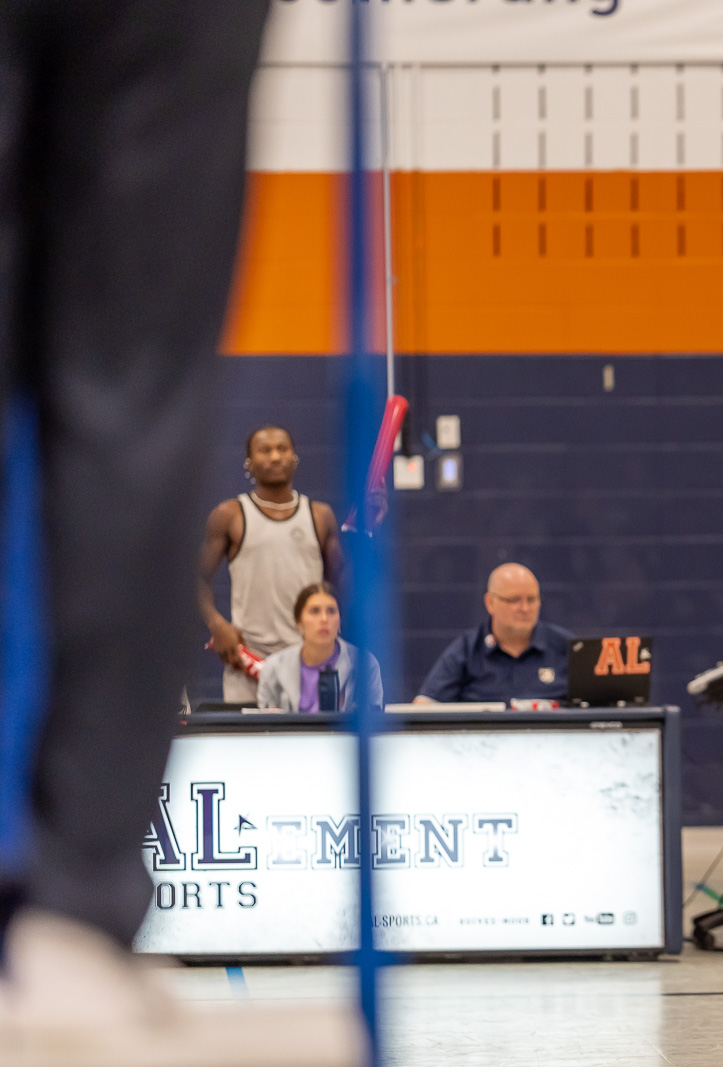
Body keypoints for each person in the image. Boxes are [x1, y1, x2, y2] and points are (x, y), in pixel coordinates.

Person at [0, 2, 360, 1063]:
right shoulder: (232, 514)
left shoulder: (314, 515)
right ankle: (74, 908)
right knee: (132, 398)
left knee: (133, 405)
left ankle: (73, 905)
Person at [198, 424, 343, 703]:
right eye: (265, 450)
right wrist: (217, 624)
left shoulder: (320, 515)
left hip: (307, 663)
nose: (275, 457)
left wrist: (367, 529)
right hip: (247, 665)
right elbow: (193, 579)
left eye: (282, 449)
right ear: (249, 463)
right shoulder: (230, 515)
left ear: (295, 458)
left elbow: (341, 582)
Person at [416, 563, 573, 704]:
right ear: (490, 602)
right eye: (514, 600)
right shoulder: (467, 650)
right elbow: (425, 706)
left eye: (531, 599)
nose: (525, 608)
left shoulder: (567, 647)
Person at [255, 583, 382, 714]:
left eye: (331, 611)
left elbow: (373, 718)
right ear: (299, 621)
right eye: (314, 611)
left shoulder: (365, 664)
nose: (324, 619)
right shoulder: (273, 667)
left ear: (340, 620)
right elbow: (266, 723)